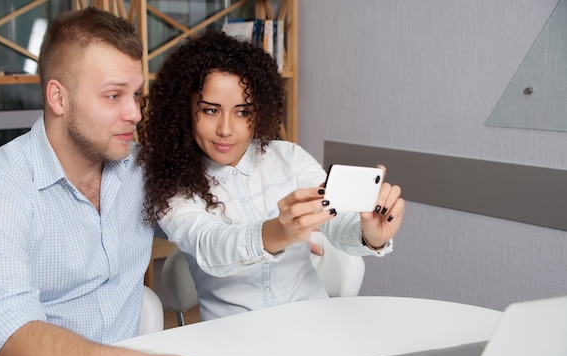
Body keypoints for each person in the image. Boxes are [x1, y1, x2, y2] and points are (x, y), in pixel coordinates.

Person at [0, 8, 232, 356]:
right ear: (58, 97)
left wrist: (290, 227)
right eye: (114, 95)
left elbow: (215, 219)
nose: (134, 113)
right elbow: (11, 337)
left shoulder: (140, 169)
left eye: (135, 95)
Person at [137, 30, 405, 321]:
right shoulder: (171, 182)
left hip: (314, 326)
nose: (225, 129)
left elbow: (337, 220)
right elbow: (209, 245)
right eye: (210, 110)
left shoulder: (288, 158)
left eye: (242, 112)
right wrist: (278, 232)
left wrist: (370, 234)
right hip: (234, 340)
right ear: (183, 110)